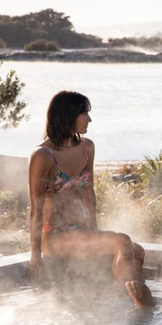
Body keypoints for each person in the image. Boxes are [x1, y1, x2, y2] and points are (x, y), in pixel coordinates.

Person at [28, 90, 152, 307]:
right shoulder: (43, 155)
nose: (90, 119)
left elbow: (89, 193)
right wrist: (36, 256)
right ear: (68, 115)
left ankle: (107, 298)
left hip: (82, 230)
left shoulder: (87, 148)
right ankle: (122, 307)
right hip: (56, 235)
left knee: (137, 251)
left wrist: (95, 233)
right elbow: (35, 209)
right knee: (122, 241)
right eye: (84, 113)